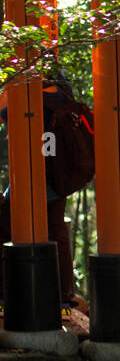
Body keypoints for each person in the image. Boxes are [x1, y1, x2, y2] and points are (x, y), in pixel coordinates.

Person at [0, 78, 91, 312]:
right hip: (57, 178)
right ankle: (62, 299)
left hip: (35, 179)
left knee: (7, 226)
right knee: (56, 233)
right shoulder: (61, 93)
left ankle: (7, 296)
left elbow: (4, 113)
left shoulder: (25, 94)